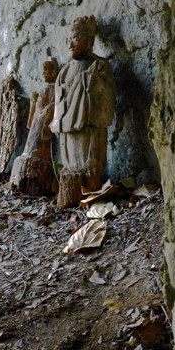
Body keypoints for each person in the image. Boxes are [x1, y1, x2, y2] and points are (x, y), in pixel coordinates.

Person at [50, 16, 116, 207]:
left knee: (90, 167)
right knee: (70, 169)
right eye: (68, 39)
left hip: (90, 131)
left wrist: (91, 82)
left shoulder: (100, 66)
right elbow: (60, 101)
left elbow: (107, 97)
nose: (70, 44)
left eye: (75, 38)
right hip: (69, 132)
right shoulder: (64, 71)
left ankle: (92, 193)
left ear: (88, 41)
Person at [8, 59, 59, 195]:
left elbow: (55, 105)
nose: (43, 74)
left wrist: (47, 110)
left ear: (53, 72)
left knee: (39, 143)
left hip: (44, 121)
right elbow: (32, 118)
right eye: (42, 71)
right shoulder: (42, 89)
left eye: (46, 71)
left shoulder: (54, 88)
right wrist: (33, 102)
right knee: (30, 142)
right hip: (37, 120)